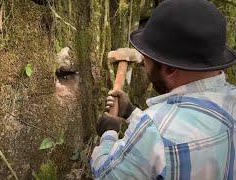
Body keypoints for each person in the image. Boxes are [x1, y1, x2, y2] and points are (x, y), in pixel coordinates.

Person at [91, 0, 236, 179]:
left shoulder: (155, 131)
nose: (143, 63)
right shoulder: (231, 97)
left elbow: (106, 175)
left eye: (147, 58)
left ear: (169, 69)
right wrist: (132, 113)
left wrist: (109, 133)